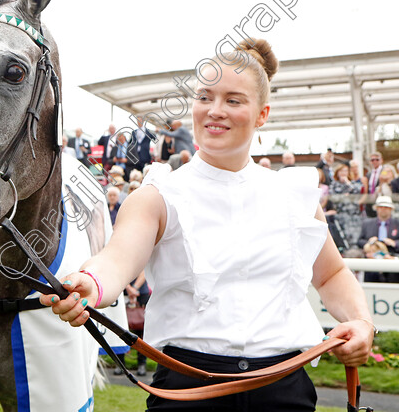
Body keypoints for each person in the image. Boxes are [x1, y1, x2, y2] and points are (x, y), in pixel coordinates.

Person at [40, 39, 373, 411]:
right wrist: (91, 283)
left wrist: (361, 322)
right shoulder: (158, 194)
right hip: (188, 391)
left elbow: (331, 276)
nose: (215, 111)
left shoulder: (295, 195)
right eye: (204, 97)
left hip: (286, 393)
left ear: (262, 114)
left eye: (233, 100)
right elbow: (116, 260)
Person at [330, 163, 363, 247]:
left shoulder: (353, 183)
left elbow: (357, 192)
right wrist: (344, 196)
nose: (343, 173)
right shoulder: (334, 184)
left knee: (355, 234)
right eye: (341, 171)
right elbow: (333, 198)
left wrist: (348, 183)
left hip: (354, 214)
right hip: (341, 214)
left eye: (345, 171)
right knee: (343, 234)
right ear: (337, 172)